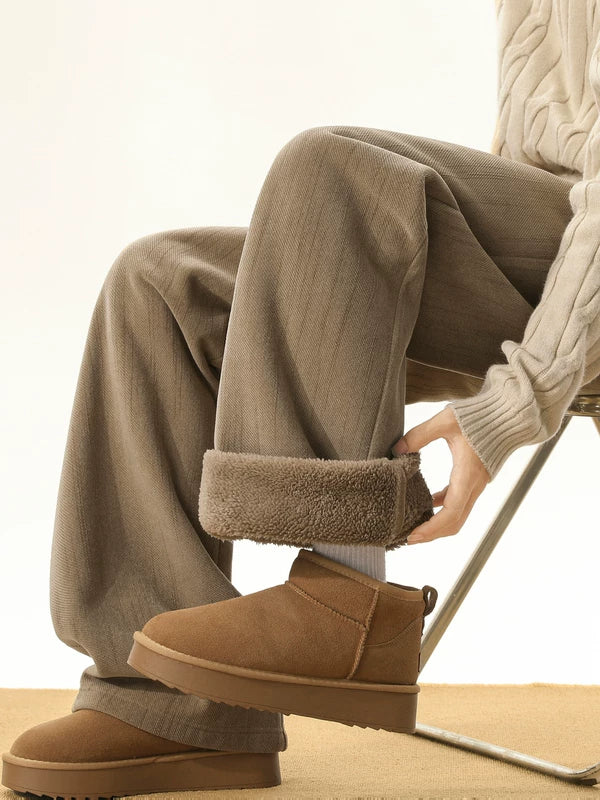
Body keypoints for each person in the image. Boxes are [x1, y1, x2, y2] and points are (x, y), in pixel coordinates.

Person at [3, 0, 600, 796]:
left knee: (337, 170)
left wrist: (516, 400)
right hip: (558, 250)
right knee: (163, 284)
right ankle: (168, 706)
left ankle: (346, 592)